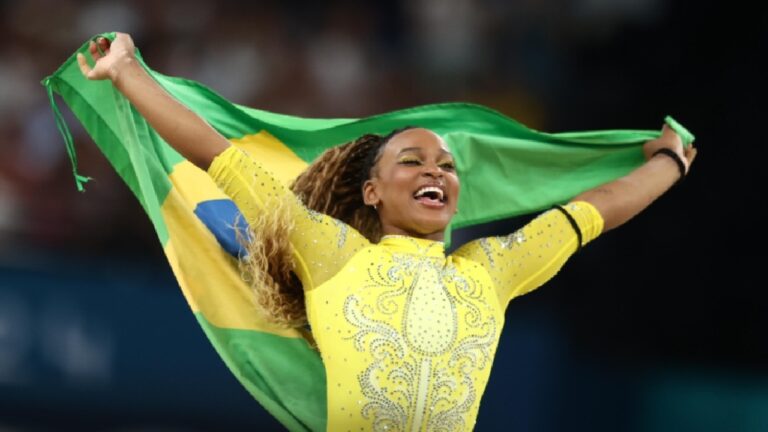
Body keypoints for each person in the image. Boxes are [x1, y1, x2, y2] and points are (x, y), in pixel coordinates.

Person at [78, 33, 696, 430]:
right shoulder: (332, 251)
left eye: (447, 165)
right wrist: (128, 71)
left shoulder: (491, 268)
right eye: (413, 161)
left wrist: (669, 162)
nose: (435, 170)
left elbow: (596, 210)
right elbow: (218, 155)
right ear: (372, 192)